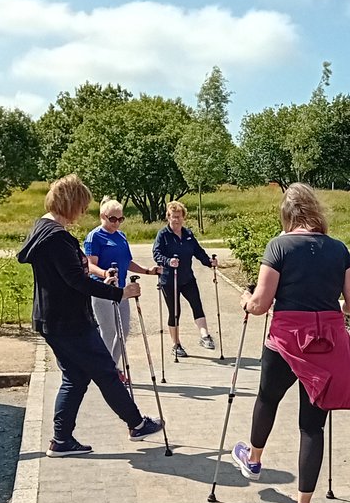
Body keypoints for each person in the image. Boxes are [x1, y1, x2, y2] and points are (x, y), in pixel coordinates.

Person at [230, 183, 350, 503]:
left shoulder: (279, 245)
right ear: (316, 211)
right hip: (326, 345)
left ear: (287, 215)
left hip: (286, 341)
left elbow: (260, 304)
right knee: (312, 426)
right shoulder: (339, 249)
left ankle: (254, 458)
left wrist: (245, 301)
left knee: (267, 398)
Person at [18, 175, 163, 458]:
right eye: (81, 206)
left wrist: (101, 282)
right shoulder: (56, 237)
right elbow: (77, 281)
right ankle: (136, 423)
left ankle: (61, 440)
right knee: (106, 371)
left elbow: (71, 277)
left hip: (53, 318)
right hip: (68, 321)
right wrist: (121, 293)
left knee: (75, 376)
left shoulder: (42, 229)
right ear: (69, 203)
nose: (83, 213)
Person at [83, 197, 159, 376]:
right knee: (108, 332)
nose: (117, 223)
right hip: (103, 289)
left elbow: (127, 262)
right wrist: (105, 273)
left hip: (121, 290)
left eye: (120, 219)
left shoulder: (121, 236)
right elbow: (90, 264)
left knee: (123, 332)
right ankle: (102, 370)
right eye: (113, 219)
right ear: (103, 216)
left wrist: (148, 271)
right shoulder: (95, 236)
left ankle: (111, 367)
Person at [152, 201, 218, 358]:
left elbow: (198, 251)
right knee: (175, 312)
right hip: (169, 280)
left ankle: (204, 336)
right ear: (168, 217)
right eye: (173, 217)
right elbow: (156, 253)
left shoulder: (188, 234)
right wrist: (168, 261)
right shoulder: (163, 235)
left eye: (179, 217)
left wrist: (209, 262)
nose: (176, 220)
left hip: (187, 278)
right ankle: (176, 344)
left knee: (197, 304)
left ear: (183, 218)